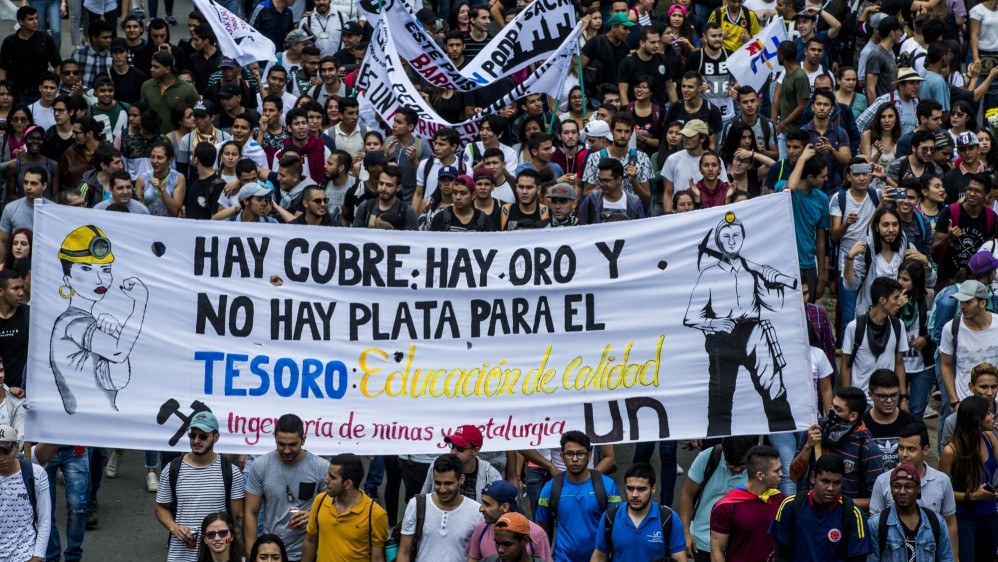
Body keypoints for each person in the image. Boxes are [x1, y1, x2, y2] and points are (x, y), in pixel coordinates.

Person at [155, 411, 245, 562]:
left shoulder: (231, 472)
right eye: (192, 435)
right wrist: (174, 527)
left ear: (216, 437)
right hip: (181, 554)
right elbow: (160, 508)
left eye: (203, 436)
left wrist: (240, 553)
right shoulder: (172, 469)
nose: (196, 440)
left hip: (218, 555)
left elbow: (238, 518)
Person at [244, 414, 329, 559]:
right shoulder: (261, 465)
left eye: (292, 445)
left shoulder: (320, 467)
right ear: (274, 438)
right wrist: (254, 554)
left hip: (307, 552)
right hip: (272, 553)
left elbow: (333, 509)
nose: (287, 450)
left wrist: (314, 516)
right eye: (281, 444)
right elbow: (251, 513)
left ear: (303, 440)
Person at [869, 422, 959, 557]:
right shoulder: (883, 481)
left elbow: (950, 523)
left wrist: (954, 558)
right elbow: (874, 527)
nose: (904, 454)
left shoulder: (942, 481)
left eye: (911, 449)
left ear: (925, 450)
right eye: (900, 448)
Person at [790, 387, 885, 508]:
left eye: (838, 409)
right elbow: (794, 476)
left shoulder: (867, 449)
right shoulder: (817, 431)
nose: (831, 412)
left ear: (853, 415)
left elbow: (877, 499)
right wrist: (808, 446)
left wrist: (837, 504)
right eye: (832, 406)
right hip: (810, 511)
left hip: (844, 519)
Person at [535, 431, 621, 562]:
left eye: (580, 453)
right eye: (569, 454)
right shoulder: (549, 489)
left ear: (590, 456)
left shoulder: (608, 486)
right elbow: (541, 530)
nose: (575, 459)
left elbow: (617, 527)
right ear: (562, 456)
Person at [770, 453, 873, 562]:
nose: (830, 488)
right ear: (813, 477)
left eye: (836, 483)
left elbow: (858, 559)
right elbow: (781, 555)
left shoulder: (853, 514)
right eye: (825, 481)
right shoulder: (790, 506)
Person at [844, 207, 935, 319]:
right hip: (871, 317)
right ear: (877, 227)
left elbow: (930, 283)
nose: (891, 229)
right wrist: (849, 259)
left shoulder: (908, 249)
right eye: (885, 225)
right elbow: (850, 286)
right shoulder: (865, 251)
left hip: (902, 316)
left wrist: (925, 263)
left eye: (895, 224)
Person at [938, 395, 998, 560]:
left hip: (990, 513)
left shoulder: (989, 438)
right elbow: (941, 491)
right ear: (976, 420)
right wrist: (970, 496)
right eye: (988, 414)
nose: (992, 417)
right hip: (964, 517)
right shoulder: (951, 451)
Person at [678, 436, 755, 562]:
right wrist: (686, 533)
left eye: (742, 464)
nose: (736, 469)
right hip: (702, 541)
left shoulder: (757, 466)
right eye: (731, 464)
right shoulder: (706, 458)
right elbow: (687, 494)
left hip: (739, 544)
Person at [301, 453, 388, 562]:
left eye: (332, 477)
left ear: (348, 484)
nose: (326, 480)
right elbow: (310, 542)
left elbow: (378, 558)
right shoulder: (320, 501)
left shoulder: (375, 514)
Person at [592, 462, 687, 562]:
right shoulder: (610, 516)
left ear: (653, 489)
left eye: (641, 489)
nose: (634, 494)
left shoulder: (669, 518)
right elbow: (599, 556)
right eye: (630, 488)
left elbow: (680, 559)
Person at [397, 453, 483, 562]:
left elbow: (477, 555)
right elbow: (404, 552)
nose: (442, 489)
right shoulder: (416, 504)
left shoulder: (477, 511)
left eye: (448, 483)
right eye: (437, 483)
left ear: (461, 479)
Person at [709, 446, 786, 562]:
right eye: (776, 471)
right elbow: (717, 551)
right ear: (760, 475)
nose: (782, 474)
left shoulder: (781, 500)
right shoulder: (726, 506)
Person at [866, 463, 954, 562]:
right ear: (891, 489)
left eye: (908, 486)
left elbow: (946, 559)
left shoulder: (936, 522)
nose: (902, 491)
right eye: (896, 486)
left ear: (918, 489)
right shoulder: (876, 524)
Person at [840, 277, 909, 396]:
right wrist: (848, 398)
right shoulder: (855, 327)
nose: (899, 302)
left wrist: (903, 397)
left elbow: (899, 363)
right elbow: (845, 365)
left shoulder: (898, 325)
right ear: (882, 300)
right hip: (861, 398)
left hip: (888, 398)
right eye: (895, 298)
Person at [778, 143, 829, 303]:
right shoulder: (782, 187)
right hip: (785, 263)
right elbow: (790, 189)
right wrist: (802, 159)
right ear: (810, 178)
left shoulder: (822, 199)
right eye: (823, 176)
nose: (826, 179)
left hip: (808, 264)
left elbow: (821, 239)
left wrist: (822, 275)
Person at [932, 173, 998, 286]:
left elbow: (991, 253)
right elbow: (935, 251)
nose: (971, 194)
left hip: (977, 283)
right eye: (969, 189)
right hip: (948, 281)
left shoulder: (991, 217)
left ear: (986, 195)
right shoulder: (949, 212)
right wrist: (949, 238)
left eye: (977, 191)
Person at [940, 280, 998, 405]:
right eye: (961, 301)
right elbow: (945, 365)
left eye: (967, 302)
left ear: (982, 303)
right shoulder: (950, 328)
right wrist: (954, 402)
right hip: (965, 403)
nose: (962, 306)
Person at [0, 423, 51, 562]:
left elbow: (44, 518)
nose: (1, 458)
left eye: (6, 452)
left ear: (16, 447)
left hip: (25, 555)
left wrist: (38, 556)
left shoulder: (35, 473)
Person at [466, 480, 552, 562]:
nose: (481, 508)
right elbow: (473, 559)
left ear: (505, 507)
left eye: (487, 504)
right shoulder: (481, 529)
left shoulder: (536, 533)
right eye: (497, 543)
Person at [0, 7, 61, 105]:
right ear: (21, 21)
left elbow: (57, 64)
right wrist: (3, 88)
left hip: (41, 92)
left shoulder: (45, 39)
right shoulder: (9, 42)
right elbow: (3, 68)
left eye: (36, 18)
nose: (35, 22)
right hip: (18, 92)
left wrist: (57, 86)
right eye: (30, 19)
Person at [862, 370, 917, 469]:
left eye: (894, 395)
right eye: (882, 396)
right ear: (870, 395)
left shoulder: (913, 423)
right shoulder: (861, 425)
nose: (889, 401)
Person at [140, 51, 200, 134]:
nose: (151, 69)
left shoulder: (188, 89)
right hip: (152, 139)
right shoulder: (146, 86)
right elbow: (142, 113)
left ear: (167, 69)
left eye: (156, 67)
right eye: (152, 66)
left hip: (179, 140)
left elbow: (198, 117)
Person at [577, 158, 645, 224]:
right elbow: (581, 224)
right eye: (600, 180)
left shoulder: (633, 202)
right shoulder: (593, 198)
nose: (601, 184)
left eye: (606, 181)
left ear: (619, 180)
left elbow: (640, 229)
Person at [353, 165, 418, 231]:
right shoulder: (365, 207)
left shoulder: (407, 212)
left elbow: (412, 239)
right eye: (381, 183)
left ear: (398, 188)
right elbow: (356, 236)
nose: (383, 188)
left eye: (389, 185)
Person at [0, 271, 28, 392]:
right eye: (16, 289)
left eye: (22, 287)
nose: (21, 293)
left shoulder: (29, 315)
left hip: (22, 393)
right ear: (1, 291)